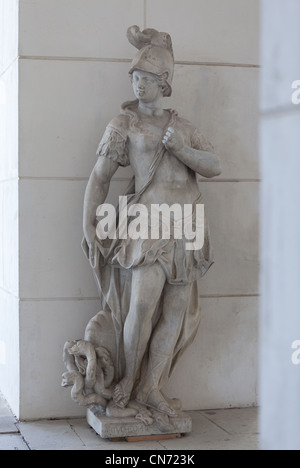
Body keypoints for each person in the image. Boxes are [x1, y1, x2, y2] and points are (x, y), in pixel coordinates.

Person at [82, 26, 221, 416]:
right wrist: (87, 222)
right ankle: (126, 382)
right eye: (135, 78)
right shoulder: (123, 124)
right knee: (141, 308)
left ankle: (151, 388)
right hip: (148, 226)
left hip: (186, 225)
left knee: (174, 312)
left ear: (164, 82)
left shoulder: (184, 127)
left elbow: (215, 165)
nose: (138, 85)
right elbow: (100, 176)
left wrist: (183, 149)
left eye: (146, 79)